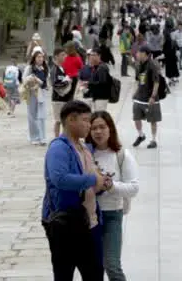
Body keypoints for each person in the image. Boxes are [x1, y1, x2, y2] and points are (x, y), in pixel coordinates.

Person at [42, 100, 109, 281]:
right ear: (71, 120)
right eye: (86, 120)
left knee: (95, 274)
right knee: (64, 274)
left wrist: (102, 184)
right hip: (66, 224)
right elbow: (60, 179)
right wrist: (94, 179)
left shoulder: (84, 148)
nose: (89, 125)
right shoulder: (59, 148)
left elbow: (90, 182)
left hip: (90, 222)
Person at [90, 111, 139, 281]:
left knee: (112, 266)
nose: (98, 132)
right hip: (88, 217)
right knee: (92, 268)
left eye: (102, 127)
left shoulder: (121, 155)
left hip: (112, 214)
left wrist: (111, 186)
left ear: (110, 129)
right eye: (94, 128)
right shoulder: (85, 154)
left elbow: (134, 188)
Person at [131, 46, 163, 149]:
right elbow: (138, 80)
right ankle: (141, 135)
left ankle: (153, 140)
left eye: (138, 52)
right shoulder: (139, 65)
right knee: (136, 117)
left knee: (153, 119)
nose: (136, 54)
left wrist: (153, 96)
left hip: (150, 98)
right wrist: (135, 92)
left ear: (144, 54)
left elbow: (156, 82)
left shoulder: (152, 65)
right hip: (139, 97)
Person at [50, 48, 77, 138]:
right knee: (58, 120)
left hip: (68, 98)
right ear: (56, 57)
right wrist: (66, 82)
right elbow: (55, 84)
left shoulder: (66, 67)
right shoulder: (54, 69)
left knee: (67, 120)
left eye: (65, 55)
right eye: (62, 55)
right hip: (58, 99)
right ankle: (57, 138)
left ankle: (66, 137)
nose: (65, 57)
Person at [25, 49, 50, 145]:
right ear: (34, 58)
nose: (40, 59)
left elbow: (47, 81)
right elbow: (24, 79)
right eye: (38, 57)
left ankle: (42, 137)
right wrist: (32, 79)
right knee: (32, 115)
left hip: (42, 93)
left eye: (42, 57)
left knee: (42, 115)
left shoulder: (45, 68)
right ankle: (34, 137)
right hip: (32, 93)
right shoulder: (30, 68)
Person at [84, 48, 115, 112]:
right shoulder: (96, 66)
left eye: (94, 55)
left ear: (99, 56)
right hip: (97, 96)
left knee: (99, 115)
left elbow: (102, 83)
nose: (92, 57)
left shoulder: (101, 68)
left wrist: (89, 84)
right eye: (91, 55)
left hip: (101, 97)